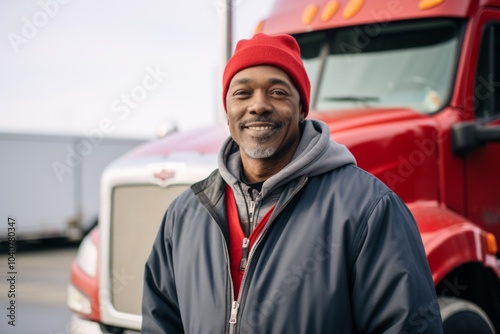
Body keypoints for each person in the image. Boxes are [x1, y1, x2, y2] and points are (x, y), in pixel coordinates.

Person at [141, 33, 443, 333]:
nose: (258, 105)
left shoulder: (369, 209)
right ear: (227, 110)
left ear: (301, 108)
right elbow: (160, 323)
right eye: (242, 93)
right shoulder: (183, 216)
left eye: (277, 92)